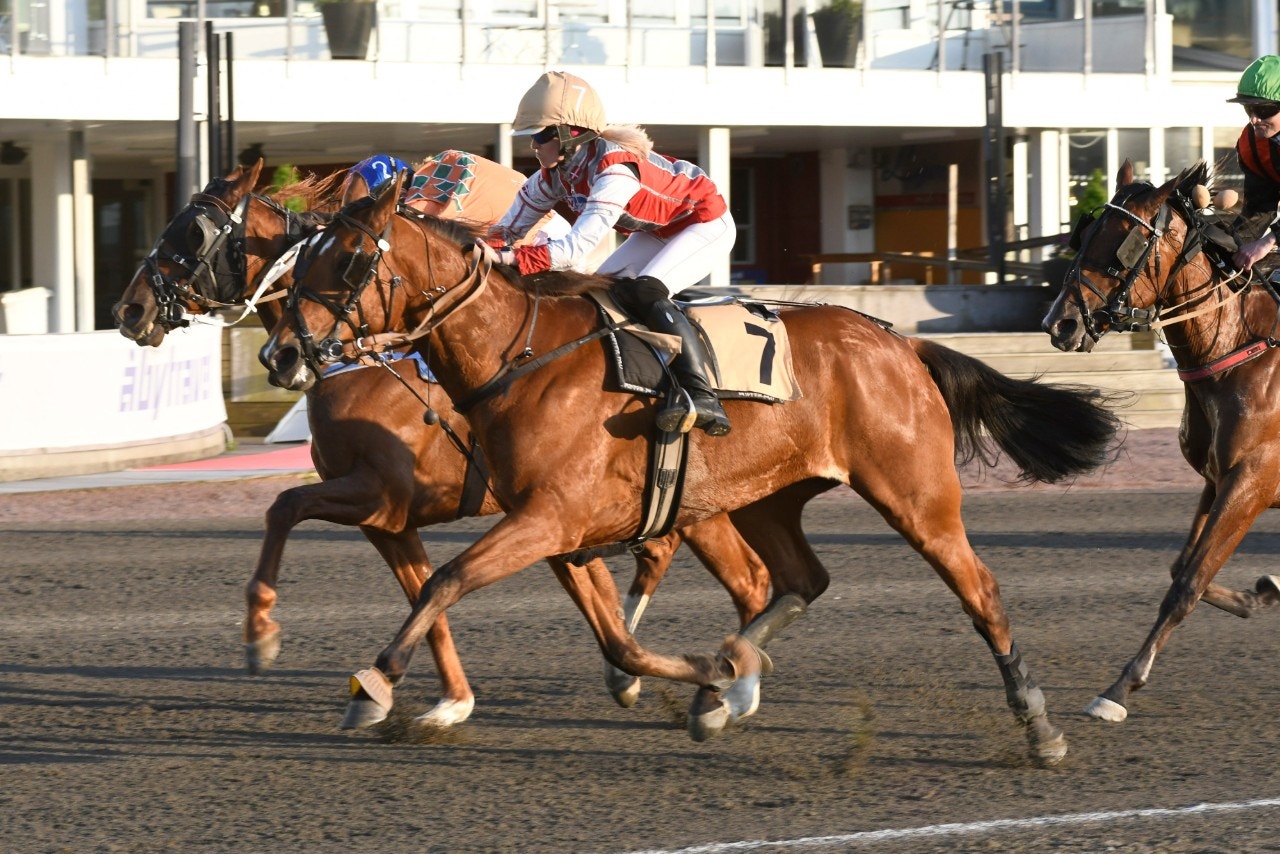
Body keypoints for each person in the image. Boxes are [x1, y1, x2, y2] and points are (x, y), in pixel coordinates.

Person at [487, 70, 736, 437]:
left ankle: (702, 395)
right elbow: (506, 231)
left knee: (645, 290)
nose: (534, 146)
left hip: (703, 223)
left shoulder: (615, 171)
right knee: (596, 294)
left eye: (540, 136)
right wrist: (477, 250)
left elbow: (575, 250)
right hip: (660, 230)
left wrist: (513, 259)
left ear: (570, 133)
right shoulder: (555, 173)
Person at [1228, 55, 1280, 271]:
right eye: (1248, 109)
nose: (1254, 119)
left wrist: (1267, 242)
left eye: (1264, 110)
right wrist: (1230, 245)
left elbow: (1264, 243)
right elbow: (1260, 207)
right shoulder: (1251, 144)